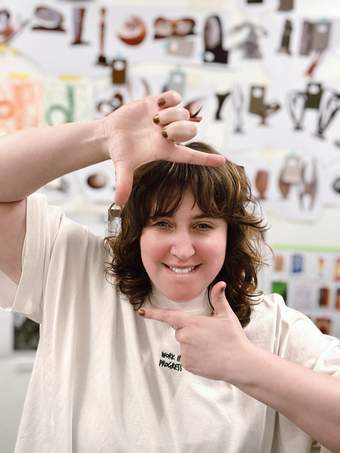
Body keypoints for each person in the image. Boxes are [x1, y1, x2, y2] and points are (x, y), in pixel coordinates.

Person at [0, 90, 339, 453]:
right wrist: (103, 135)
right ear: (136, 232)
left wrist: (246, 365)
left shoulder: (273, 329)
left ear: (231, 234)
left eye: (203, 225)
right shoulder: (76, 272)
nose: (182, 248)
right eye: (162, 223)